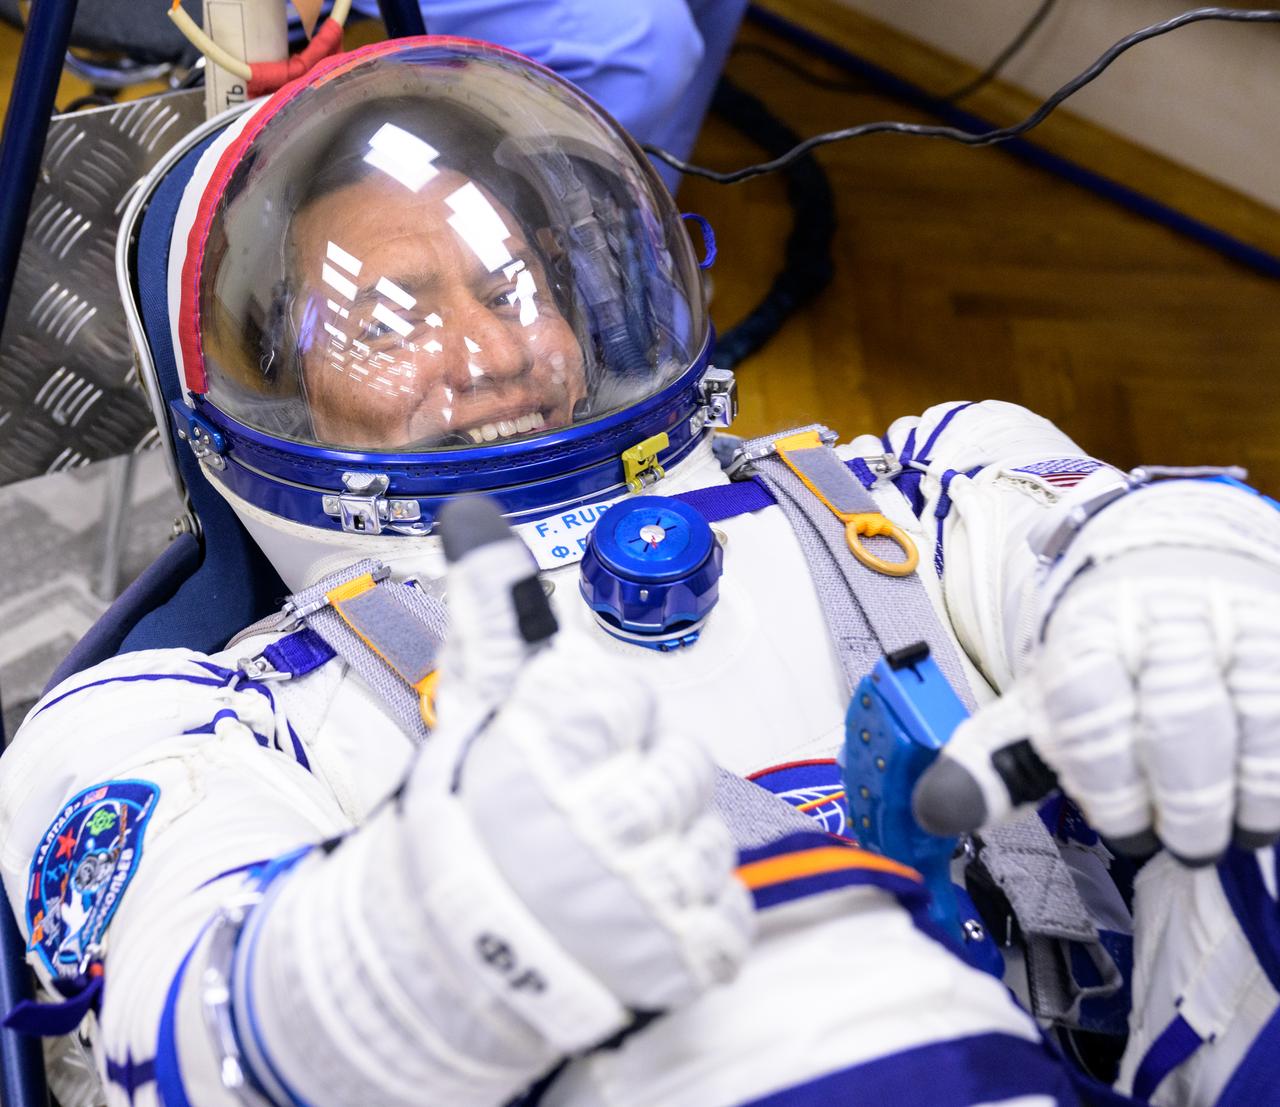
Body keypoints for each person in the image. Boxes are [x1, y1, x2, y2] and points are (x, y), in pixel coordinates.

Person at [3, 36, 1280, 1107]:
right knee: (800, 1006)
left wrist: (1190, 590)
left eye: (511, 287)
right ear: (274, 393)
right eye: (389, 320)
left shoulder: (899, 487)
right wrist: (411, 944)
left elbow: (1086, 533)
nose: (483, 351)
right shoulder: (182, 716)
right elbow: (182, 1010)